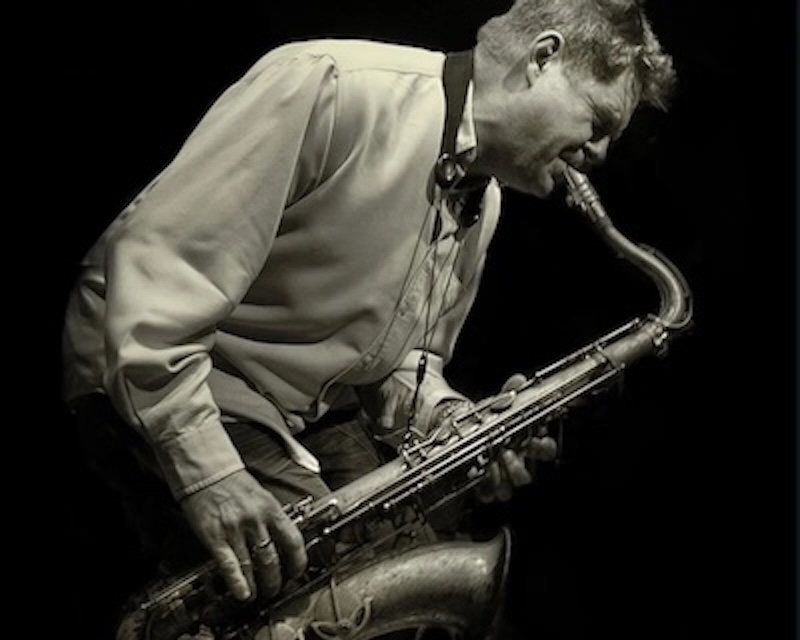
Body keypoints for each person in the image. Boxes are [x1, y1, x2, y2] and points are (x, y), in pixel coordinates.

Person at [62, 0, 676, 614]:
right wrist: (210, 474)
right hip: (164, 371)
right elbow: (161, 275)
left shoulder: (484, 201)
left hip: (294, 408)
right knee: (346, 594)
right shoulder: (332, 85)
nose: (599, 153)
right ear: (543, 58)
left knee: (413, 591)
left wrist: (459, 426)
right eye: (599, 121)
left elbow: (398, 362)